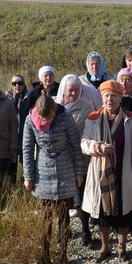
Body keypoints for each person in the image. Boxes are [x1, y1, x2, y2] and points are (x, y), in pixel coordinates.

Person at [81, 80, 132, 262]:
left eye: (114, 96)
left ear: (120, 98)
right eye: (106, 96)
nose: (110, 99)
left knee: (124, 212)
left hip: (124, 173)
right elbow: (84, 142)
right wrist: (97, 147)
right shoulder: (93, 118)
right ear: (102, 98)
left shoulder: (130, 119)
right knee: (102, 213)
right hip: (101, 174)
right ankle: (105, 246)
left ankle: (122, 247)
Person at [22, 94, 86, 264]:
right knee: (45, 217)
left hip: (65, 169)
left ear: (55, 110)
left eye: (49, 117)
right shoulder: (30, 120)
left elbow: (76, 144)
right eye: (43, 118)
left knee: (64, 216)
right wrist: (28, 176)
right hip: (42, 172)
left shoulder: (66, 117)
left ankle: (63, 255)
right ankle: (44, 255)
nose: (46, 121)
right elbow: (27, 148)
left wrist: (79, 172)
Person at [56, 74, 96, 246]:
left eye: (77, 90)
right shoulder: (54, 105)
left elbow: (91, 131)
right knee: (61, 198)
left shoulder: (86, 106)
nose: (74, 93)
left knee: (80, 197)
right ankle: (64, 230)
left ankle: (86, 231)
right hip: (59, 160)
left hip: (79, 158)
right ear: (64, 90)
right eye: (71, 90)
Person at [6, 74, 29, 179]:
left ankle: (26, 183)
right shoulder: (8, 99)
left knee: (26, 162)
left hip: (25, 135)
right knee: (12, 162)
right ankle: (12, 184)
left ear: (24, 84)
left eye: (20, 83)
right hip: (12, 135)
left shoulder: (29, 97)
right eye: (14, 83)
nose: (17, 86)